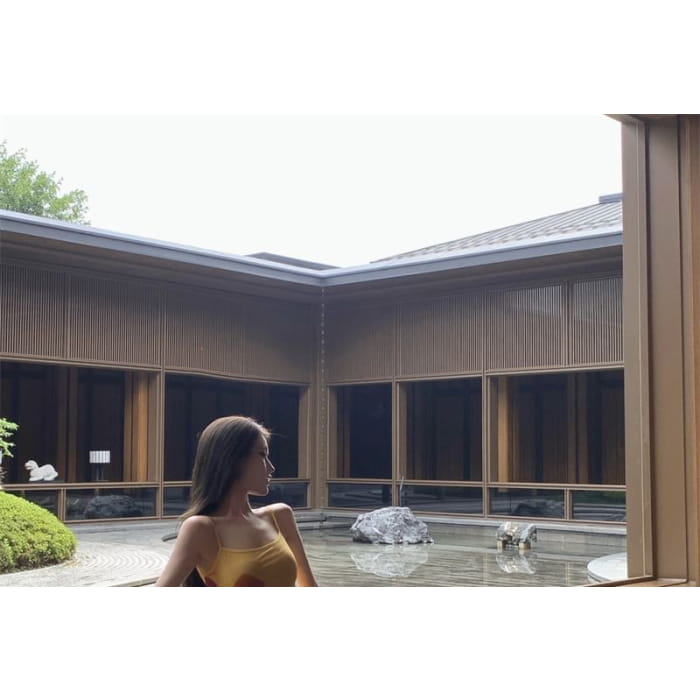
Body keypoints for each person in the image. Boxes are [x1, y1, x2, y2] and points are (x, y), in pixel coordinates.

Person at [156, 415, 317, 586]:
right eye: (262, 454)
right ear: (232, 459)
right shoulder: (200, 529)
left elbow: (310, 587)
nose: (271, 467)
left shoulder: (280, 516)